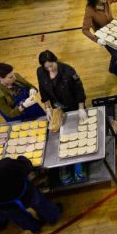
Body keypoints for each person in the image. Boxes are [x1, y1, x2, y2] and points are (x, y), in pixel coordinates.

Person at [0, 140, 62, 234]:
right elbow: (27, 166)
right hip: (26, 195)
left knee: (19, 217)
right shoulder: (5, 165)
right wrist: (21, 158)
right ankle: (53, 217)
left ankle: (34, 228)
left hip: (4, 206)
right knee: (41, 204)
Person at [36, 50, 87, 182]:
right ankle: (64, 166)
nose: (49, 69)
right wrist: (47, 108)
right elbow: (42, 89)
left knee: (77, 133)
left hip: (72, 105)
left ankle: (79, 165)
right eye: (46, 67)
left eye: (51, 65)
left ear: (56, 60)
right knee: (61, 135)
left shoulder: (68, 71)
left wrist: (81, 108)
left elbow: (79, 90)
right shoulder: (41, 72)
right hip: (57, 107)